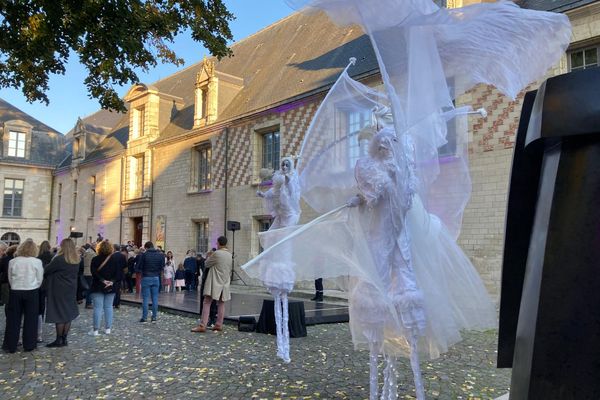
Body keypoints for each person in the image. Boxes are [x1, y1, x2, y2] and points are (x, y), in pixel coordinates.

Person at [2, 239, 43, 353]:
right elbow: (39, 279)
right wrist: (33, 285)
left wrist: (15, 285)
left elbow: (10, 278)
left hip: (16, 290)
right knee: (31, 319)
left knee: (13, 319)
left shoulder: (13, 261)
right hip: (31, 291)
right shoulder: (37, 262)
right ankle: (29, 344)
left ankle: (10, 345)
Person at [43, 238, 80, 347]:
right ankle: (64, 338)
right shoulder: (76, 259)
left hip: (59, 289)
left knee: (59, 313)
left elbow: (47, 270)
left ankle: (59, 339)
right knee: (68, 313)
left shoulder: (59, 259)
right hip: (71, 288)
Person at [191, 236, 232, 333]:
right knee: (221, 303)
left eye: (217, 243)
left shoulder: (217, 253)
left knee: (207, 302)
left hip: (215, 281)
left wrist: (209, 256)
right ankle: (219, 324)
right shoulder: (229, 254)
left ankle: (202, 325)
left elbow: (206, 264)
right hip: (225, 282)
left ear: (219, 243)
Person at [88, 240, 120, 335]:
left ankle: (95, 330)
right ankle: (108, 329)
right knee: (108, 307)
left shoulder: (95, 259)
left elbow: (94, 272)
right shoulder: (114, 260)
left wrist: (102, 280)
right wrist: (111, 281)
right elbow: (118, 273)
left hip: (98, 285)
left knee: (97, 308)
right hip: (110, 286)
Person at [137, 241, 165, 322]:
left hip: (146, 277)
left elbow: (139, 267)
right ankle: (154, 317)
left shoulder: (144, 255)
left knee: (145, 299)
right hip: (156, 277)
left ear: (146, 247)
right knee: (155, 298)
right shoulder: (160, 255)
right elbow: (162, 267)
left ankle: (144, 317)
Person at [37, 240, 54, 342]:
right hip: (50, 282)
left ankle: (39, 321)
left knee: (40, 304)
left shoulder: (38, 258)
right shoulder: (53, 257)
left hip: (40, 283)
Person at [81, 244, 95, 309]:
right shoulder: (93, 254)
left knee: (87, 288)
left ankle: (88, 302)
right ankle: (88, 303)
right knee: (90, 289)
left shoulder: (86, 252)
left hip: (85, 272)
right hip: (90, 272)